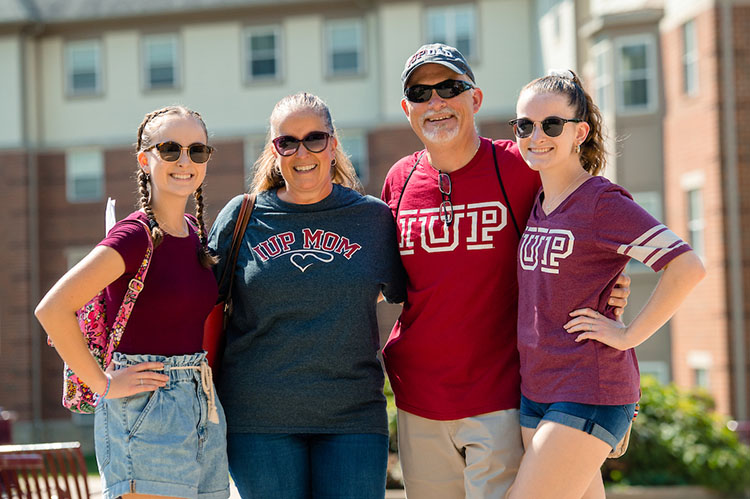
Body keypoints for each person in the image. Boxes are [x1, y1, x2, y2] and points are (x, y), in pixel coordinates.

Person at [380, 44, 631, 499]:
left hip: (501, 397)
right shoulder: (399, 178)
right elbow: (387, 280)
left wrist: (605, 282)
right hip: (417, 400)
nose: (435, 103)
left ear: (474, 99)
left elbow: (589, 220)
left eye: (450, 88)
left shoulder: (520, 166)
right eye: (420, 93)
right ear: (407, 109)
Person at [506, 70, 705, 499]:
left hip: (588, 387)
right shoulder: (539, 202)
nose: (536, 135)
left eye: (551, 124)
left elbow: (686, 266)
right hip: (537, 388)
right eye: (524, 125)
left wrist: (629, 334)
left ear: (580, 131)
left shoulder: (601, 201)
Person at [208, 92, 405, 499]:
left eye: (315, 138)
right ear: (274, 150)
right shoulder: (242, 216)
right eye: (288, 141)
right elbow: (199, 302)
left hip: (352, 418)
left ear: (333, 144)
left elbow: (405, 293)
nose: (303, 152)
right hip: (259, 421)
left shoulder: (372, 219)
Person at [35, 105, 229, 499]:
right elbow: (52, 309)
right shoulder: (134, 236)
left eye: (197, 151)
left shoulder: (194, 233)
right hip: (145, 404)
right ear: (145, 159)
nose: (185, 161)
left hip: (201, 402)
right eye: (170, 149)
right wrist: (102, 385)